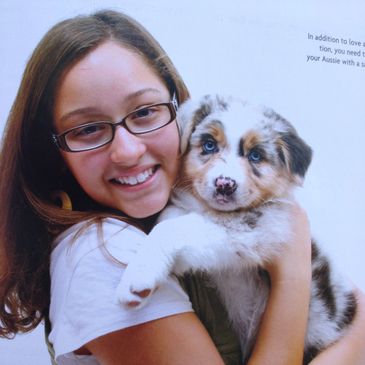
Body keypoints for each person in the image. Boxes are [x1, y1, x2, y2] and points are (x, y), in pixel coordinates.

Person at [0, 9, 364, 365]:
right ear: (52, 151)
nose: (128, 152)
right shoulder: (101, 255)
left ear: (178, 109)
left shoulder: (152, 223)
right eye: (86, 129)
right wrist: (294, 276)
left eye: (144, 112)